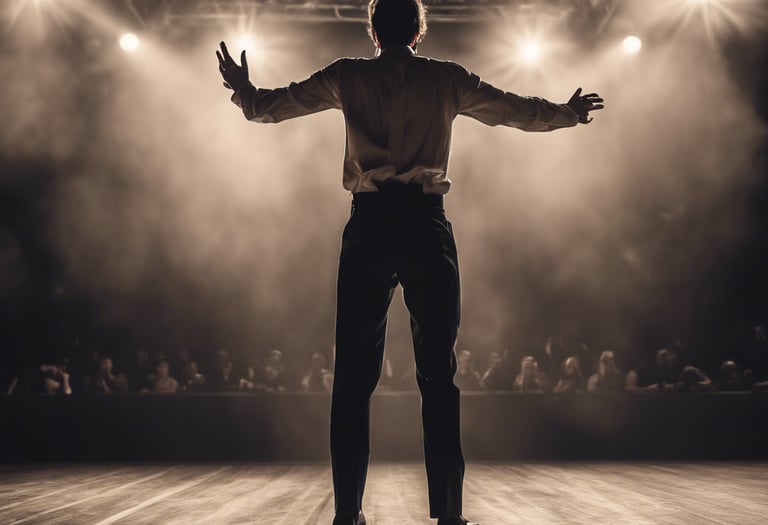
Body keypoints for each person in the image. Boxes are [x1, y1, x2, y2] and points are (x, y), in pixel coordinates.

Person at [216, 0, 603, 522]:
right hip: (425, 226)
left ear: (374, 33)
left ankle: (347, 514)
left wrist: (243, 89)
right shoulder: (447, 78)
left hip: (369, 226)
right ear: (419, 33)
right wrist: (567, 112)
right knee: (438, 377)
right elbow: (512, 110)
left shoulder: (348, 75)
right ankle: (449, 514)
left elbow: (270, 107)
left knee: (353, 379)